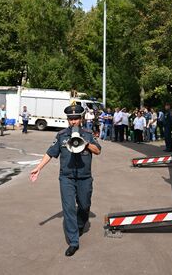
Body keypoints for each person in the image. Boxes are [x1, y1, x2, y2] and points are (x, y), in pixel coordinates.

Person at [29, 105, 101, 257]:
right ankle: (74, 242)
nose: (73, 121)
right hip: (66, 177)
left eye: (76, 118)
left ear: (81, 119)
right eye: (70, 119)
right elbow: (50, 153)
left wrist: (85, 144)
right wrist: (38, 168)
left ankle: (80, 224)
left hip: (84, 177)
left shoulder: (88, 134)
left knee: (84, 205)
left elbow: (98, 150)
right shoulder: (61, 135)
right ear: (67, 120)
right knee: (68, 208)